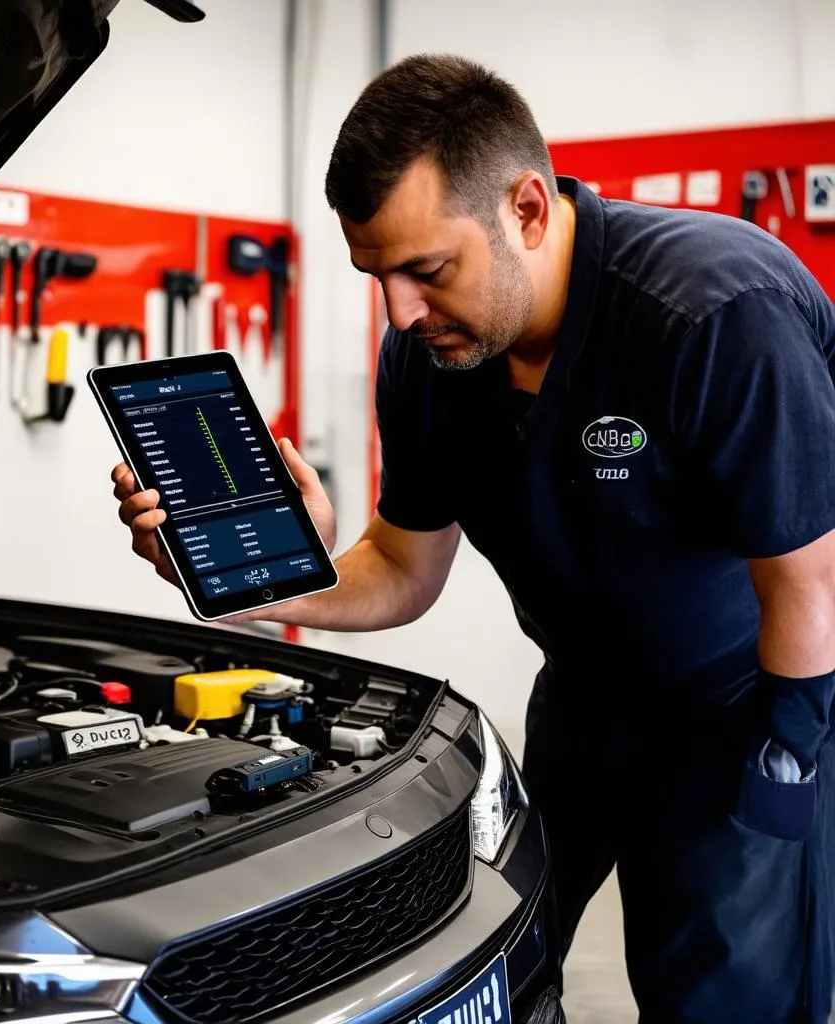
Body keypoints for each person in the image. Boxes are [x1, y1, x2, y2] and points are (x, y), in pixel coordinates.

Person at [112, 53, 835, 1024]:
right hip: (581, 707)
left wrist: (788, 769)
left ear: (527, 210)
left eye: (426, 270)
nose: (399, 313)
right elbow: (404, 569)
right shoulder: (428, 359)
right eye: (376, 276)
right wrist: (264, 577)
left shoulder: (710, 314)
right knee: (492, 960)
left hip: (739, 712)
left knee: (722, 1001)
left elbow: (811, 587)